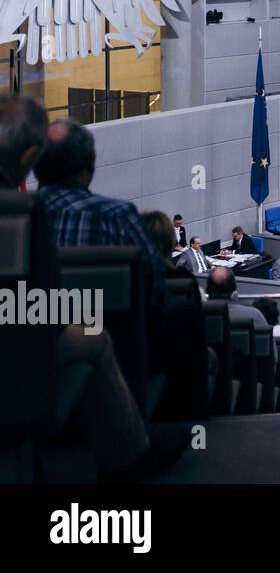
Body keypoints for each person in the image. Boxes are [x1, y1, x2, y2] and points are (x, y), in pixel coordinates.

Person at [0, 95, 189, 480]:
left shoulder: (26, 207)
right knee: (96, 333)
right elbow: (154, 293)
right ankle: (130, 454)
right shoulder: (32, 214)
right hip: (19, 347)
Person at [35, 118, 164, 306]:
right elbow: (156, 291)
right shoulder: (117, 217)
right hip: (106, 331)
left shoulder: (14, 220)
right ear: (92, 157)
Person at [205, 267, 271, 335]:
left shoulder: (195, 317)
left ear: (206, 290)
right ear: (235, 292)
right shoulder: (254, 315)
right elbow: (268, 345)